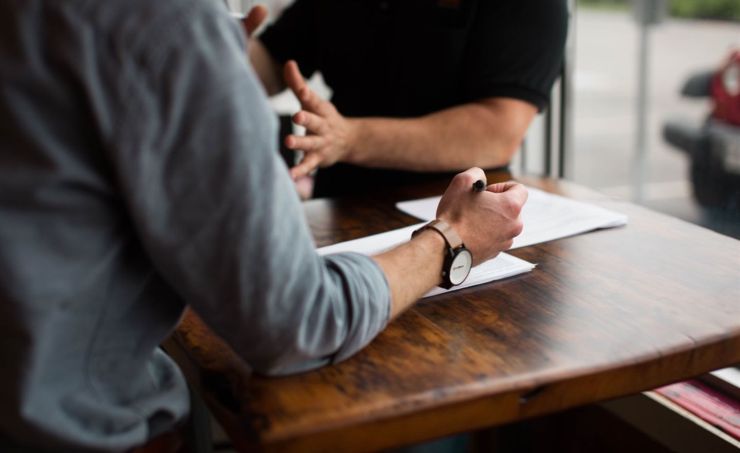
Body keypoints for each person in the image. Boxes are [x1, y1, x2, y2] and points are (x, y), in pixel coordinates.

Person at [0, 0, 527, 451]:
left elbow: (501, 127)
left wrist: (209, 59)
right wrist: (450, 239)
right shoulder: (161, 20)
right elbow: (296, 321)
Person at [248, 0, 569, 198]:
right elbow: (275, 61)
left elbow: (497, 130)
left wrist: (349, 138)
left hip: (456, 216)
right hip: (340, 207)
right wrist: (216, 54)